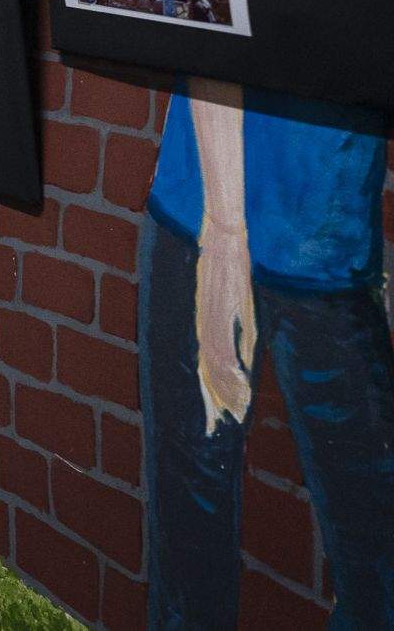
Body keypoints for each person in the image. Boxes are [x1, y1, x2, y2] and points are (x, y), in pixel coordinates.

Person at [140, 79, 394, 624]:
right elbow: (207, 13)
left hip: (335, 245)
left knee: (376, 569)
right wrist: (225, 234)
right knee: (192, 568)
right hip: (207, 231)